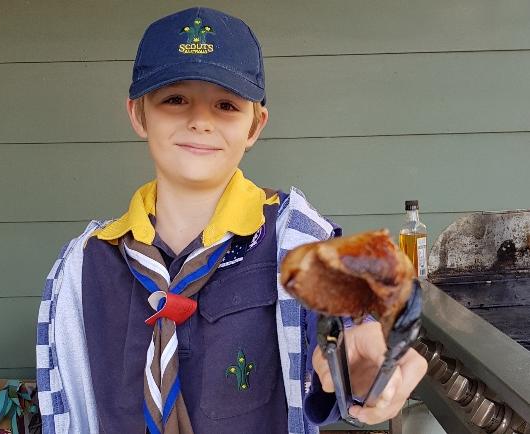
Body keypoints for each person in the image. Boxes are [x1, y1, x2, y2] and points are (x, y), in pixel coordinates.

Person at [36, 6, 427, 434]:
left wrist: (365, 361)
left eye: (225, 104)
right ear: (138, 113)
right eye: (174, 99)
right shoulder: (86, 264)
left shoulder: (293, 239)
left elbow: (351, 320)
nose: (200, 120)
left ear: (255, 125)